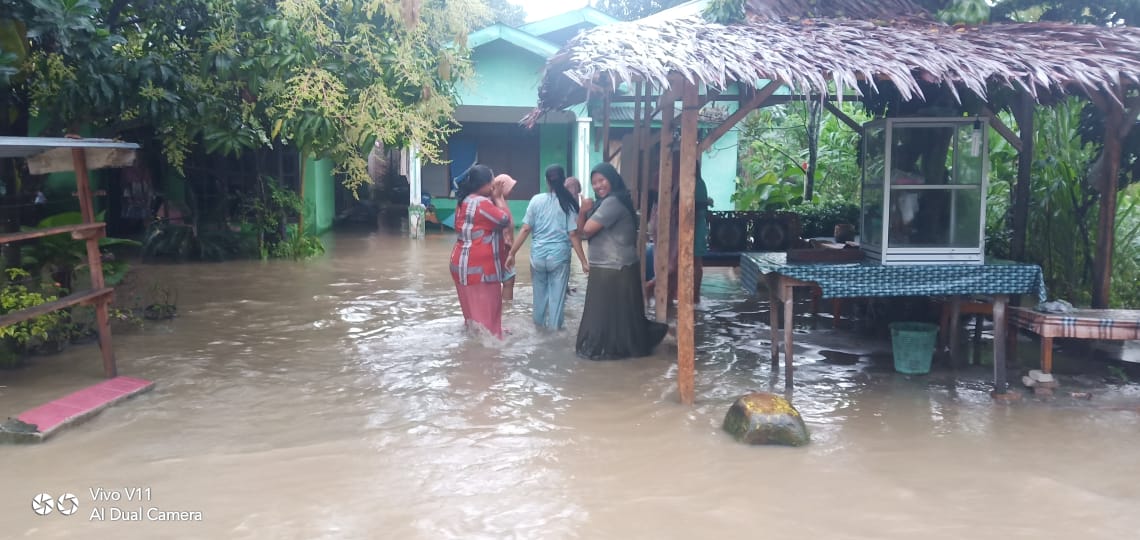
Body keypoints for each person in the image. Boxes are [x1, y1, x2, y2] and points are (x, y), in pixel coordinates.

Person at [575, 163, 668, 360]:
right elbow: (581, 232)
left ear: (612, 179)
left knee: (610, 314)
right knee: (613, 315)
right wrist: (584, 212)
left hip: (615, 268)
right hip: (609, 267)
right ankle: (618, 348)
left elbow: (587, 229)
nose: (598, 186)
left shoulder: (612, 203)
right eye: (594, 183)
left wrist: (583, 211)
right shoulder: (608, 201)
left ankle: (615, 349)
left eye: (602, 180)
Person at [506, 165, 589, 330]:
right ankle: (554, 338)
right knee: (556, 301)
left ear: (546, 181)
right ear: (563, 181)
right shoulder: (569, 204)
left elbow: (525, 229)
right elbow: (573, 235)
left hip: (537, 257)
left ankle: (538, 331)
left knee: (539, 298)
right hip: (559, 258)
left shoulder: (536, 200)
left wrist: (512, 253)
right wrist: (584, 262)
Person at [449, 165, 512, 338]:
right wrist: (499, 198)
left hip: (460, 264)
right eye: (492, 180)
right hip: (480, 267)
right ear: (484, 183)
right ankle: (488, 351)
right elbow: (505, 220)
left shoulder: (463, 201)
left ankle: (481, 340)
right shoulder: (481, 202)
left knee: (471, 317)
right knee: (487, 322)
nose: (494, 184)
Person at [645, 154, 712, 305]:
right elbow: (692, 207)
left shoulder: (674, 181)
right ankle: (689, 297)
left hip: (677, 226)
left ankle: (669, 296)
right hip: (686, 227)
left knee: (676, 263)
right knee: (685, 263)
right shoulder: (690, 183)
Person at [495, 174, 519, 302]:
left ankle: (505, 310)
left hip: (504, 249)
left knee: (506, 279)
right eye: (510, 187)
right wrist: (509, 244)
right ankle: (507, 309)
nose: (512, 191)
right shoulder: (496, 202)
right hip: (503, 249)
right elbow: (503, 223)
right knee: (508, 279)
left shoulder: (500, 201)